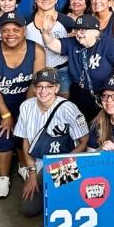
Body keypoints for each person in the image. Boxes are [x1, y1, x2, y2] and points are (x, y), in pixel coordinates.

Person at [0, 12, 46, 199]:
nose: (11, 33)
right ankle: (3, 177)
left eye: (16, 29)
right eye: (5, 30)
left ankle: (24, 166)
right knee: (4, 134)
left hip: (23, 98)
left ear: (24, 31)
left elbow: (35, 84)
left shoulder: (36, 50)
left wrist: (23, 113)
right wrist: (6, 116)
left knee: (23, 131)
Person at [14, 67, 89, 217]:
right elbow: (26, 143)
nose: (43, 91)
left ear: (56, 88)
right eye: (40, 86)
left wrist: (61, 167)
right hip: (39, 163)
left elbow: (83, 141)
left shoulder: (68, 108)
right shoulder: (26, 107)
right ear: (34, 88)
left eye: (49, 86)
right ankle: (42, 187)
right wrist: (32, 174)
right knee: (28, 209)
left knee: (64, 206)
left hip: (65, 162)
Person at [41, 14, 114, 123]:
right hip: (79, 92)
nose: (78, 33)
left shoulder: (107, 43)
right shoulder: (73, 42)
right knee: (78, 126)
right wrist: (45, 31)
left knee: (101, 126)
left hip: (102, 93)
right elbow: (51, 44)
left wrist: (113, 84)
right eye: (77, 29)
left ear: (95, 32)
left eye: (83, 30)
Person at [26, 0, 75, 98]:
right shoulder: (26, 21)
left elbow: (74, 48)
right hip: (35, 73)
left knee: (62, 107)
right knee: (38, 108)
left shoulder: (67, 22)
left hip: (61, 73)